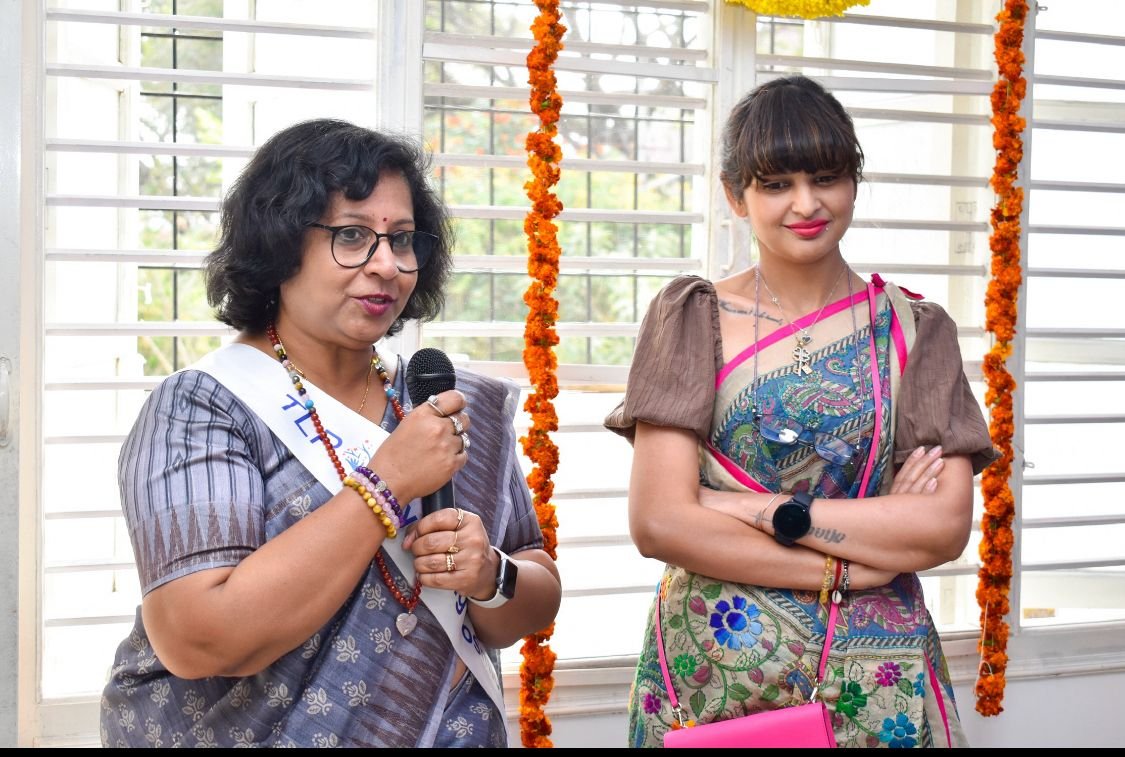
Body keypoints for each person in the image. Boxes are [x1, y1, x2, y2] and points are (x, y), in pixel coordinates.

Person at [100, 119, 562, 748]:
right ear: (280, 243)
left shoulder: (443, 397)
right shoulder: (202, 409)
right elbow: (197, 639)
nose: (387, 265)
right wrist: (387, 482)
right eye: (352, 235)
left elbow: (535, 591)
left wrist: (490, 576)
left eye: (402, 240)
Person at [605, 75, 998, 749]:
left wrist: (750, 508)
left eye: (825, 178)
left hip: (878, 678)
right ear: (735, 195)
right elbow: (660, 522)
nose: (806, 203)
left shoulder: (914, 330)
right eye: (775, 184)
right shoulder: (693, 317)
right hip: (714, 673)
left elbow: (939, 526)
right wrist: (851, 566)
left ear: (853, 182)